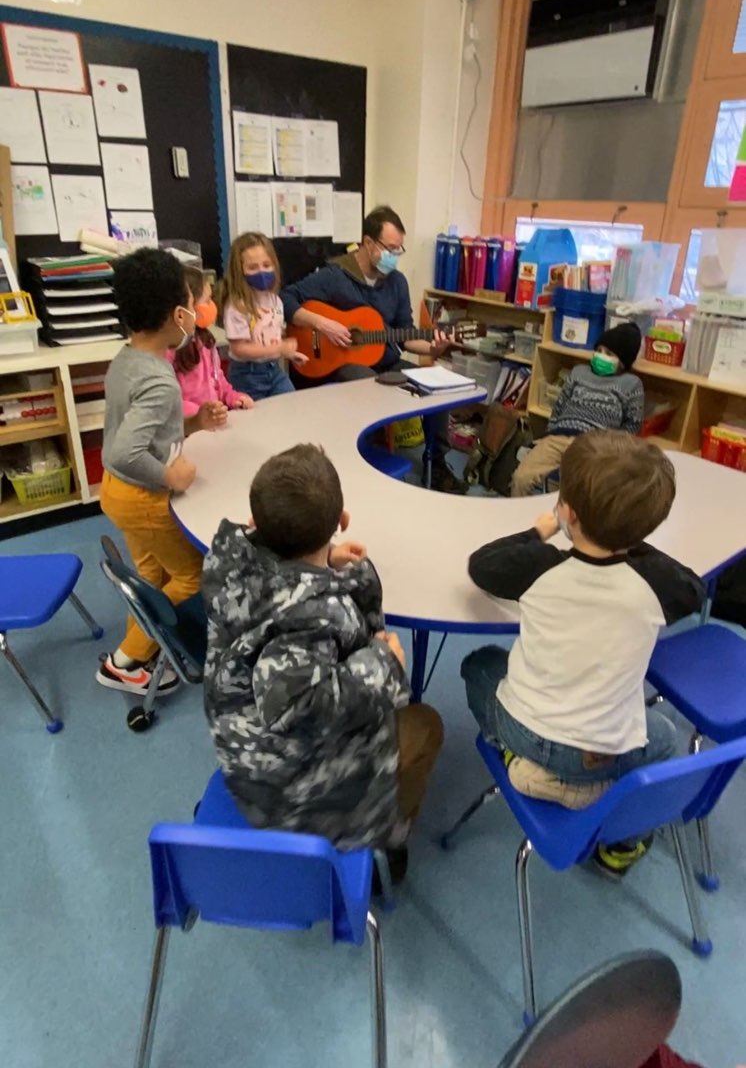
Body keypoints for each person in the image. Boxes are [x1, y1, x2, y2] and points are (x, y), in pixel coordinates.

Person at [462, 431, 705, 878]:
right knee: (666, 736)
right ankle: (620, 847)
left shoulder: (541, 567)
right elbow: (694, 586)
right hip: (606, 751)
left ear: (568, 511)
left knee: (479, 666)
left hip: (528, 733)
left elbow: (482, 564)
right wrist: (629, 534)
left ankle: (519, 761)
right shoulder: (660, 586)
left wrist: (542, 530)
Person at [202, 442, 444, 871]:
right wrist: (382, 663)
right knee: (425, 725)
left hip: (241, 741)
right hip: (282, 789)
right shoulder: (310, 616)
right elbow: (297, 705)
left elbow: (276, 587)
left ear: (256, 521)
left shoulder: (231, 563)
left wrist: (321, 562)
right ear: (341, 521)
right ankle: (384, 842)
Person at [97, 247, 227, 697]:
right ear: (178, 315)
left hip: (118, 492)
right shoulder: (159, 380)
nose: (196, 312)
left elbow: (144, 433)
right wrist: (171, 477)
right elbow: (124, 452)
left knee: (151, 575)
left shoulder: (126, 359)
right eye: (192, 304)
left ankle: (139, 649)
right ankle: (125, 661)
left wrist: (194, 423)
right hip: (141, 495)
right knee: (192, 575)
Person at [280, 205, 465, 493]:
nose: (395, 255)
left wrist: (434, 347)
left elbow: (406, 336)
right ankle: (364, 465)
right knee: (366, 383)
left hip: (386, 362)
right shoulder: (336, 276)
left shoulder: (397, 282)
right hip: (343, 365)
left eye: (399, 249)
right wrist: (323, 324)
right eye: (390, 248)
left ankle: (437, 464)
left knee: (437, 389)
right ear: (368, 243)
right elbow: (286, 298)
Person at [511, 321, 644, 497]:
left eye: (609, 354)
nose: (601, 356)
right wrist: (550, 434)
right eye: (599, 350)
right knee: (521, 477)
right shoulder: (579, 372)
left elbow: (632, 426)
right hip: (560, 438)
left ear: (623, 361)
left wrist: (611, 452)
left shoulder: (631, 384)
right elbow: (559, 406)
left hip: (594, 446)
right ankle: (520, 513)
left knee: (582, 493)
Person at [219, 232, 308, 401]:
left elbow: (272, 337)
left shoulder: (275, 301)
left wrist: (288, 353)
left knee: (292, 405)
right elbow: (239, 349)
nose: (261, 272)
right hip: (247, 375)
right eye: (253, 267)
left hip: (274, 370)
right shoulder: (237, 306)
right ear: (239, 272)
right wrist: (279, 349)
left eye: (267, 265)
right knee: (255, 414)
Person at [169, 265, 254, 415]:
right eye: (207, 301)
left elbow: (217, 379)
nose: (212, 306)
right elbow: (170, 402)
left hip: (213, 419)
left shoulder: (205, 340)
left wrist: (232, 397)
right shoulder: (169, 350)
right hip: (190, 424)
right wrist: (201, 414)